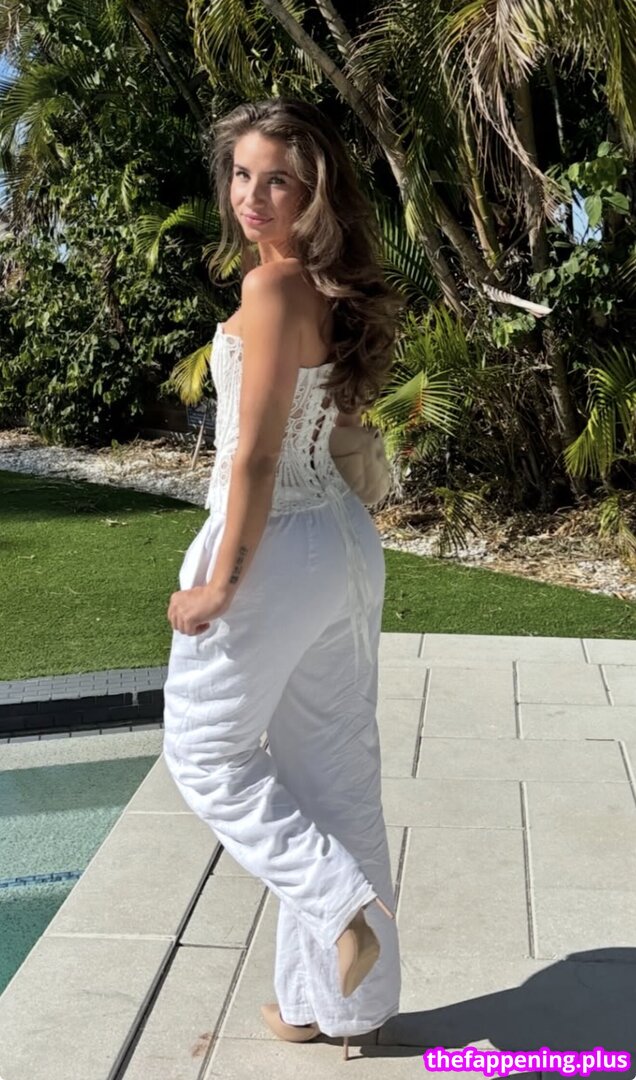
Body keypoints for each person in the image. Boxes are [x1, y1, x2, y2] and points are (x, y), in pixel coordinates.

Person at [162, 96, 404, 1061]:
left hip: (275, 547)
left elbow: (257, 457)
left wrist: (222, 584)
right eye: (241, 174)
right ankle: (339, 1006)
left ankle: (342, 911)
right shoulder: (327, 290)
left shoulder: (271, 290)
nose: (251, 196)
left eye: (278, 181)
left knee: (204, 754)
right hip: (340, 544)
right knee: (333, 767)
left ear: (315, 194)